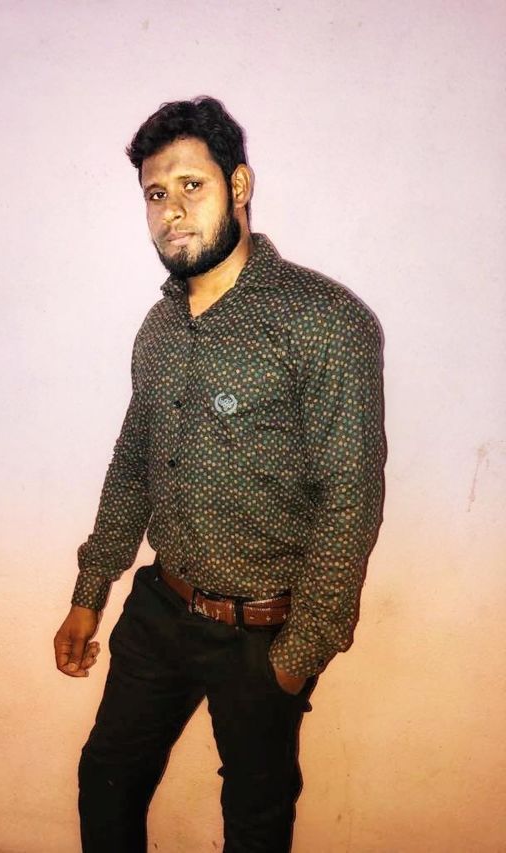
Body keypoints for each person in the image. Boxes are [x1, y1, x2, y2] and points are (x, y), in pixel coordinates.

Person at [54, 96, 386, 852]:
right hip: (159, 609)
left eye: (191, 185)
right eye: (155, 193)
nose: (171, 209)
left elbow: (350, 498)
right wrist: (89, 592)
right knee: (106, 779)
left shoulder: (324, 321)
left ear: (238, 185)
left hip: (263, 634)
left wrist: (297, 658)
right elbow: (133, 463)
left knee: (255, 820)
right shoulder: (159, 328)